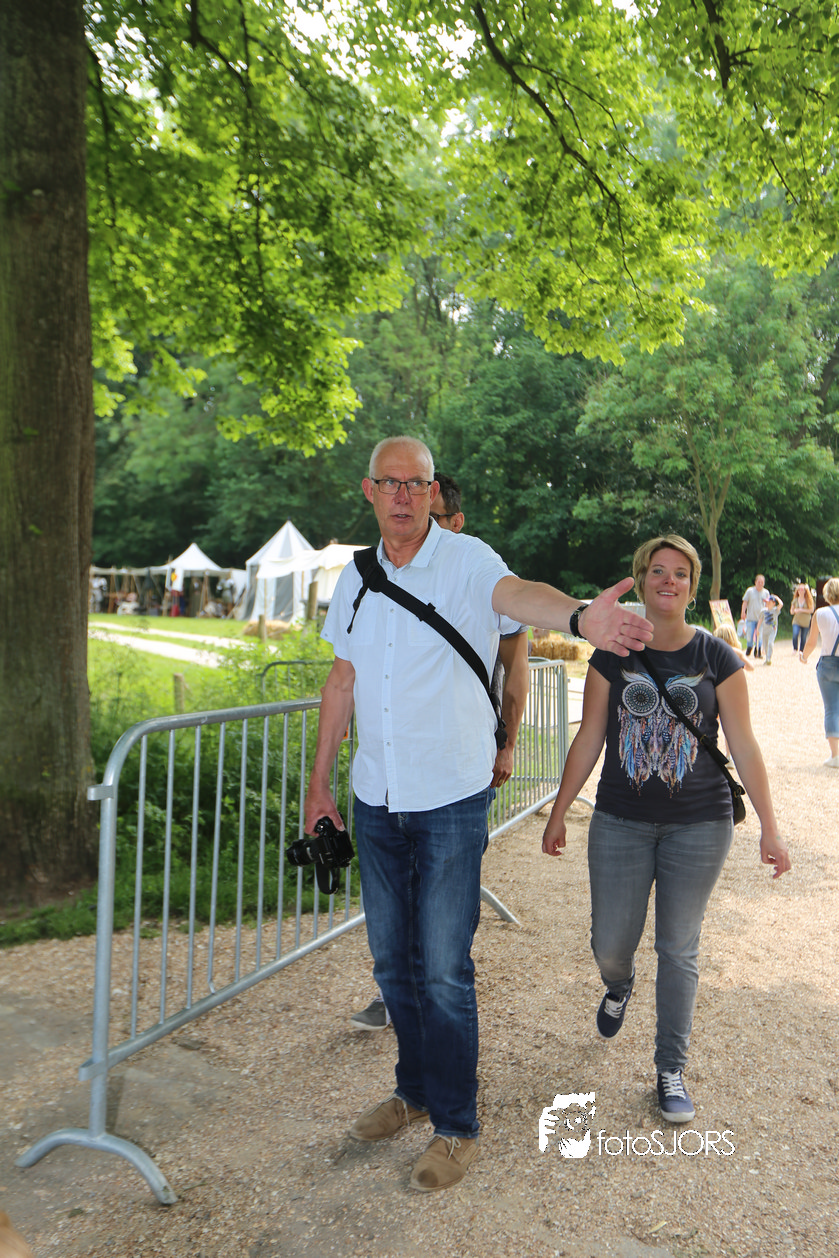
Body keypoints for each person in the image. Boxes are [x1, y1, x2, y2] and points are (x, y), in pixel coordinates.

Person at [303, 435, 653, 1192]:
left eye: (416, 484)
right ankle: (414, 1091)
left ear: (433, 494)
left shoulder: (467, 560)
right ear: (369, 491)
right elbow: (341, 681)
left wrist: (579, 619)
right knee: (392, 963)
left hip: (449, 801)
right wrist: (318, 783)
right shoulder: (355, 578)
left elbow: (519, 595)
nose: (403, 495)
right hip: (376, 798)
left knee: (442, 971)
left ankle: (457, 1125)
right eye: (390, 483)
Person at [542, 534, 790, 1125]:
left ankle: (670, 1068)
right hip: (619, 821)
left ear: (692, 586)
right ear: (642, 579)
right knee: (610, 944)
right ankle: (618, 984)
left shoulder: (718, 657)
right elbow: (590, 736)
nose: (669, 580)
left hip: (700, 824)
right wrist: (559, 810)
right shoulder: (612, 653)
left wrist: (771, 827)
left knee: (679, 948)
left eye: (680, 572)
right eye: (658, 570)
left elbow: (744, 745)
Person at [349, 472, 530, 1033]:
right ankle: (400, 994)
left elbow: (515, 672)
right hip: (391, 784)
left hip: (458, 771)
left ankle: (432, 1003)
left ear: (455, 521)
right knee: (397, 908)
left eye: (438, 515)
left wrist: (507, 743)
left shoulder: (479, 571)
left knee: (442, 921)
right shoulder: (381, 573)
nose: (425, 524)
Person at [801, 576, 839, 766]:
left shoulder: (820, 613)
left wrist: (804, 656)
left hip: (828, 663)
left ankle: (835, 756)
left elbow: (811, 641)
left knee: (831, 708)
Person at [740, 573, 766, 658]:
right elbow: (745, 602)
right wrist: (743, 612)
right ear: (755, 582)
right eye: (759, 582)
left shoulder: (766, 593)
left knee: (760, 635)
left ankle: (758, 650)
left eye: (762, 582)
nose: (760, 584)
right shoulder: (750, 591)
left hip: (761, 618)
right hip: (751, 617)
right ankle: (749, 647)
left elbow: (768, 605)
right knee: (749, 635)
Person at [790, 582, 815, 659]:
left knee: (803, 637)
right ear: (797, 591)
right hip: (796, 620)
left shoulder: (809, 600)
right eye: (799, 589)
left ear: (805, 591)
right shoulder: (795, 600)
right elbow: (791, 611)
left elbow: (811, 610)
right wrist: (794, 611)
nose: (801, 591)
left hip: (806, 622)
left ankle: (801, 650)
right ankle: (795, 648)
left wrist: (801, 610)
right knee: (795, 634)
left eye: (802, 589)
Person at [759, 590, 783, 665]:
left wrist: (776, 597)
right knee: (765, 645)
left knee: (770, 643)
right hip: (764, 631)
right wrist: (757, 629)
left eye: (769, 602)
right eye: (767, 602)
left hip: (772, 630)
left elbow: (781, 604)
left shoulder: (775, 610)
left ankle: (769, 658)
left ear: (773, 603)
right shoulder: (763, 611)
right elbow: (760, 620)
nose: (767, 603)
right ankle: (767, 658)